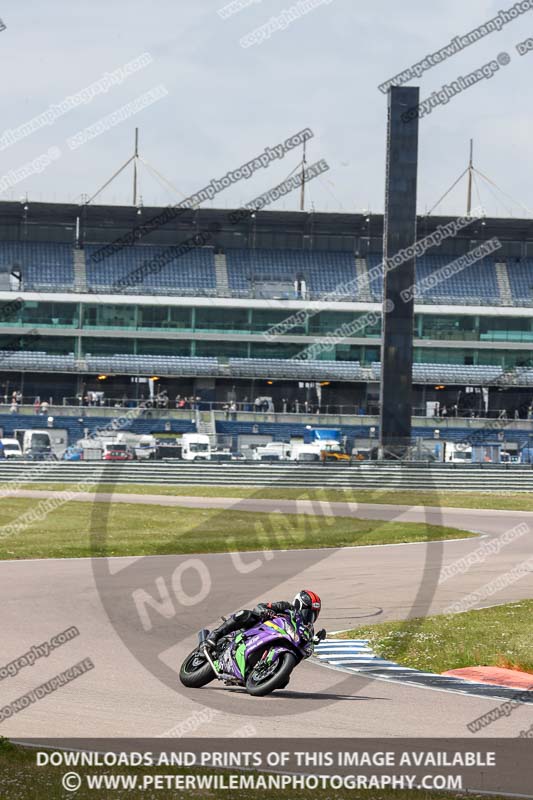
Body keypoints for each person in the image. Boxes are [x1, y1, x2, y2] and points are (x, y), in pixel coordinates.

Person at [205, 589, 323, 649]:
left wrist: (313, 642)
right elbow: (260, 606)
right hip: (258, 630)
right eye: (307, 612)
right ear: (298, 605)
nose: (309, 616)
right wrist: (265, 611)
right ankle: (215, 634)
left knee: (283, 682)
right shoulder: (286, 607)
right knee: (245, 614)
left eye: (312, 614)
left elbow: (305, 649)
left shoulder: (308, 630)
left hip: (277, 643)